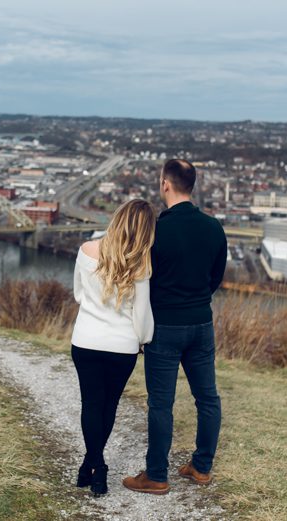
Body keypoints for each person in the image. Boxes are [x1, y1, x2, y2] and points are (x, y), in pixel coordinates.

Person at [123, 159, 227, 495]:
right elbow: (215, 278)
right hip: (201, 323)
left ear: (165, 184)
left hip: (165, 326)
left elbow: (143, 281)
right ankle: (201, 466)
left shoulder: (156, 230)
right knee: (207, 397)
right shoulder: (214, 228)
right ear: (191, 185)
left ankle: (156, 475)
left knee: (161, 403)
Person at [71, 198, 156, 496]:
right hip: (122, 348)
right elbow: (142, 316)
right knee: (108, 406)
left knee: (91, 404)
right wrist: (143, 340)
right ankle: (97, 466)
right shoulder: (141, 265)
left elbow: (79, 294)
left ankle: (91, 466)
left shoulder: (86, 251)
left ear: (117, 218)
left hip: (86, 341)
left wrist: (97, 308)